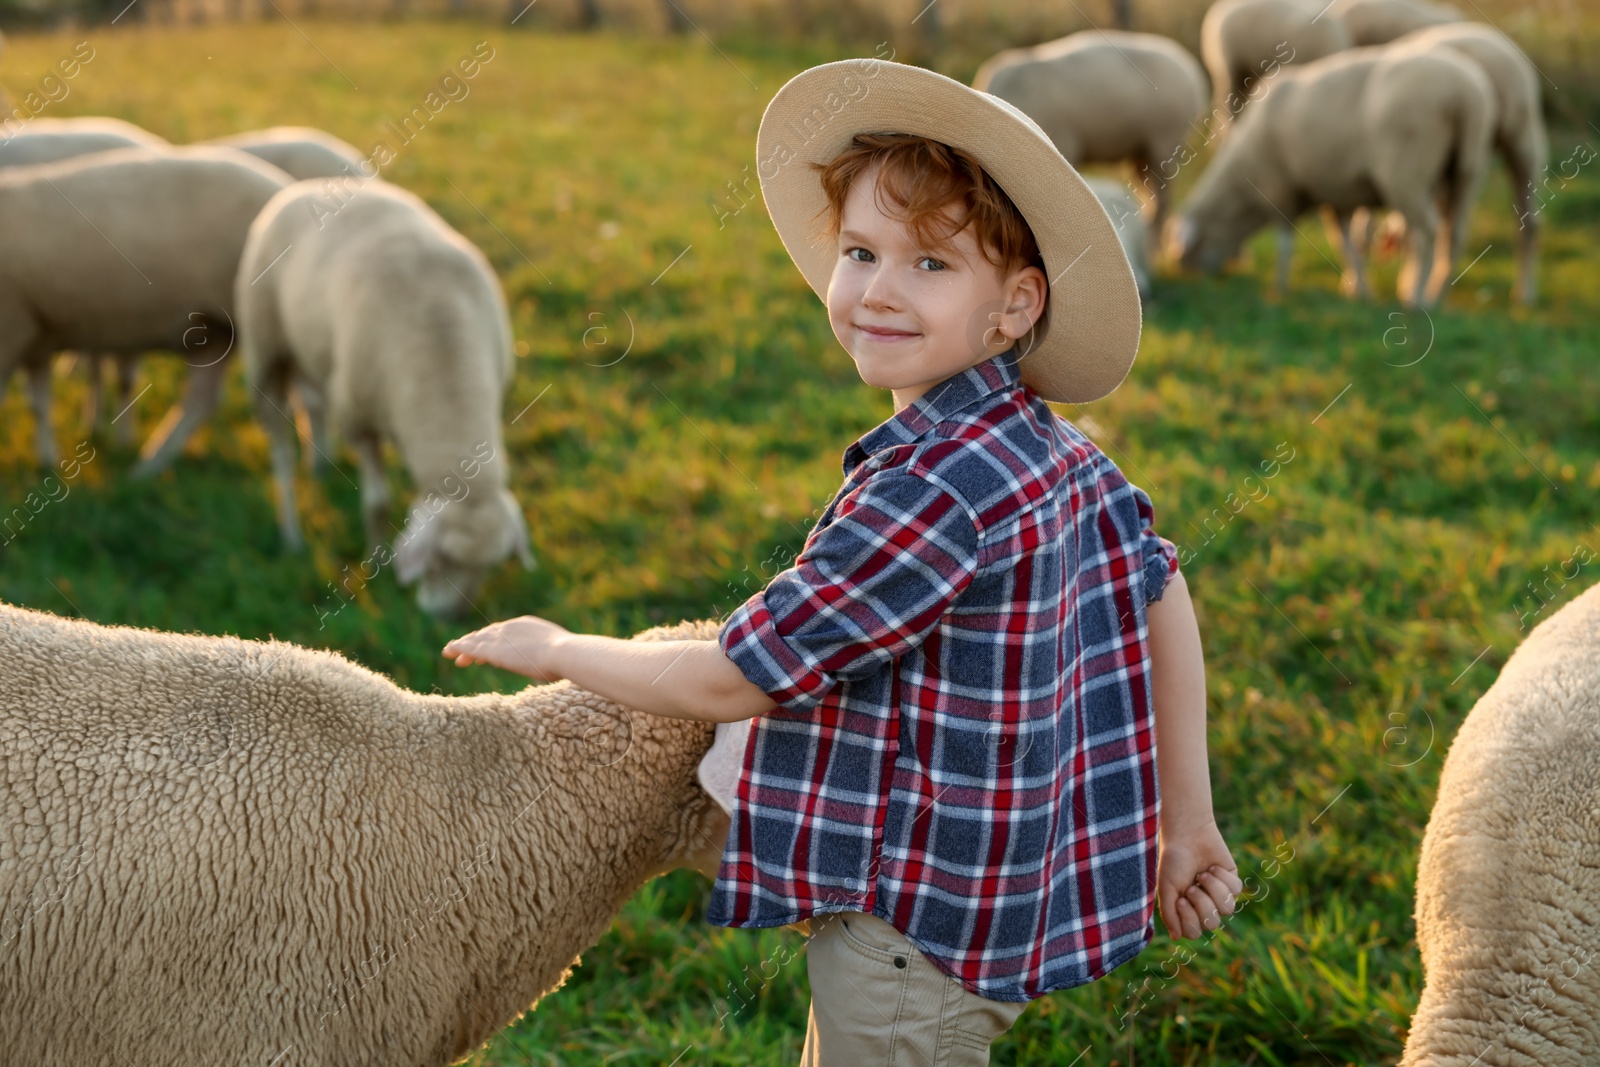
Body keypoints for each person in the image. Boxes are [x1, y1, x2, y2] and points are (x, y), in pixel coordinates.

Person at [442, 58, 1242, 1067]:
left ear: (1015, 304)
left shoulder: (929, 493)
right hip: (989, 904)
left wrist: (556, 643)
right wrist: (1189, 815)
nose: (877, 291)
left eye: (931, 265)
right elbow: (1160, 586)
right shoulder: (1054, 446)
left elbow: (729, 676)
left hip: (908, 940)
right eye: (861, 251)